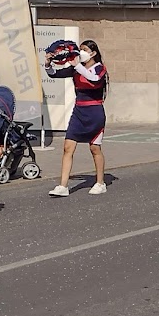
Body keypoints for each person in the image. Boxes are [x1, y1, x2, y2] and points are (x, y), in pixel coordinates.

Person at [46, 39, 109, 197]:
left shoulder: (99, 68)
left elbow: (94, 80)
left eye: (85, 50)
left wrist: (77, 66)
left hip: (94, 112)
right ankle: (63, 185)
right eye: (80, 49)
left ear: (93, 53)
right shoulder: (76, 68)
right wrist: (48, 62)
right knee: (68, 147)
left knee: (94, 148)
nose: (81, 52)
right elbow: (54, 74)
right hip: (79, 111)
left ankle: (100, 182)